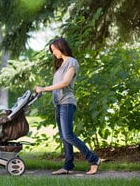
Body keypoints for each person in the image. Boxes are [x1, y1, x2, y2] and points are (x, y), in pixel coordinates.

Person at [34, 37, 101, 175]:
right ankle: (68, 166)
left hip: (67, 103)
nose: (53, 53)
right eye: (52, 51)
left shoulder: (71, 61)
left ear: (61, 47)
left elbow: (65, 83)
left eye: (54, 50)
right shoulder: (60, 66)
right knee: (64, 137)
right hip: (58, 105)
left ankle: (94, 160)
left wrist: (44, 88)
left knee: (68, 135)